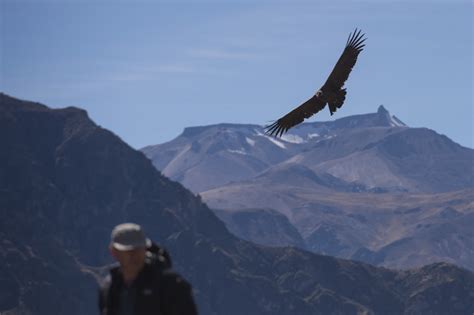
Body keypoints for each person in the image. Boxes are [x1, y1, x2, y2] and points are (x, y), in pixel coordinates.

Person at [99, 223, 198, 315]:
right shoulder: (110, 288)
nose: (135, 255)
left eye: (138, 249)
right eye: (128, 251)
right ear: (114, 252)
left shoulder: (170, 286)